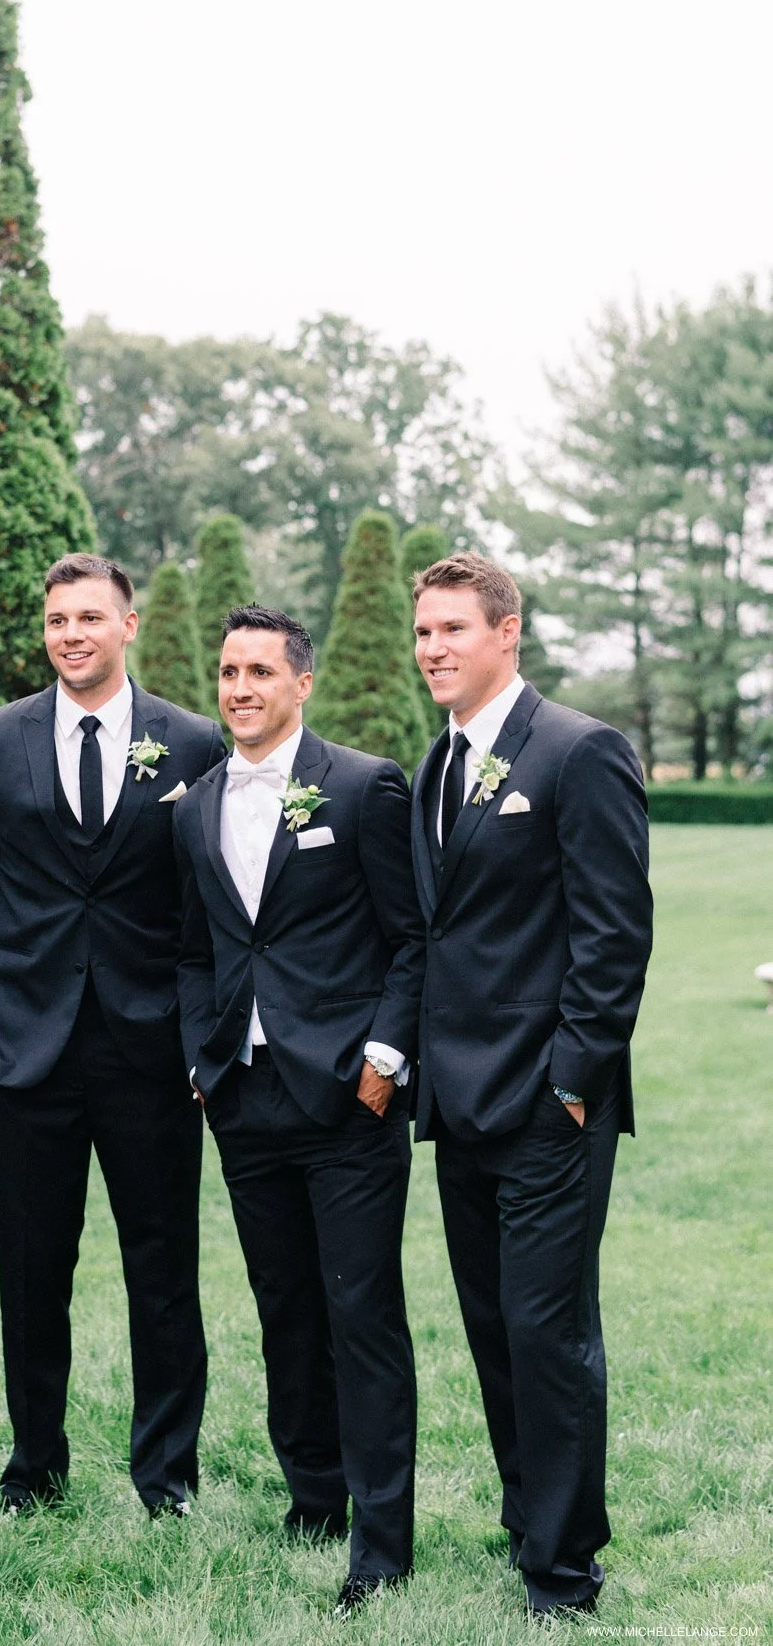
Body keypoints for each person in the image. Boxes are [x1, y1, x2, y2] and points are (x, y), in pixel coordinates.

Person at [0, 552, 225, 1517]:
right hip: (20, 1050)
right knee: (30, 1268)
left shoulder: (188, 744)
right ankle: (34, 1468)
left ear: (127, 625)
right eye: (58, 619)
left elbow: (209, 902)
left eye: (90, 617)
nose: (72, 635)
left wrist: (198, 1034)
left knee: (162, 1269)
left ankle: (166, 1475)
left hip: (149, 1053)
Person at [409, 554, 653, 1618]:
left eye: (453, 629)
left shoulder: (579, 749)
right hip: (458, 1104)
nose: (433, 649)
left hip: (552, 1106)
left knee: (551, 1332)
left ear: (508, 631)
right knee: (494, 1326)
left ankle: (564, 1568)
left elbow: (615, 934)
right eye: (423, 632)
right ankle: (527, 1521)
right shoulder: (436, 764)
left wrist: (571, 1080)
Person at [173, 604, 425, 1615]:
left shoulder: (364, 786)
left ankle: (382, 1534)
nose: (238, 688)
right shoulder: (190, 806)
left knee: (361, 1312)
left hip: (349, 1096)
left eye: (259, 673)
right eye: (228, 672)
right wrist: (204, 1058)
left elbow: (409, 937)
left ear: (300, 684)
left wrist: (382, 1058)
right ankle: (313, 1494)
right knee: (285, 1307)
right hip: (244, 1093)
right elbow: (193, 946)